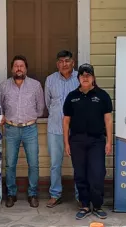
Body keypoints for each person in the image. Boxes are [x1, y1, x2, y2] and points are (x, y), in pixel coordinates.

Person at [63, 64, 113, 220]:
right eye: (82, 75)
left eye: (88, 75)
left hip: (96, 141)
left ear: (93, 77)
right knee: (80, 174)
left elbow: (108, 120)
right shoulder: (72, 96)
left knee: (97, 173)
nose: (85, 77)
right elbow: (65, 122)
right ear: (78, 78)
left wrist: (109, 141)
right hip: (76, 140)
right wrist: (66, 143)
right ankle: (84, 205)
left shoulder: (102, 96)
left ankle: (97, 205)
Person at [0, 55, 45, 208]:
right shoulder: (4, 86)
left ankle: (33, 194)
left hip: (30, 129)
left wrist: (29, 118)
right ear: (12, 69)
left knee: (34, 163)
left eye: (22, 66)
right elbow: (0, 109)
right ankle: (11, 194)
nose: (19, 68)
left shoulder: (36, 85)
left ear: (26, 68)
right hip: (11, 129)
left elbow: (40, 108)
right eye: (16, 66)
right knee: (10, 164)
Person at [44, 50, 80, 208]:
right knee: (55, 163)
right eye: (61, 61)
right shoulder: (50, 80)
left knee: (78, 163)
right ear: (57, 64)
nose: (64, 64)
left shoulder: (80, 78)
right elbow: (47, 103)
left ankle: (81, 195)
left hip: (77, 129)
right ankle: (55, 194)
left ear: (73, 62)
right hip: (55, 128)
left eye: (67, 61)